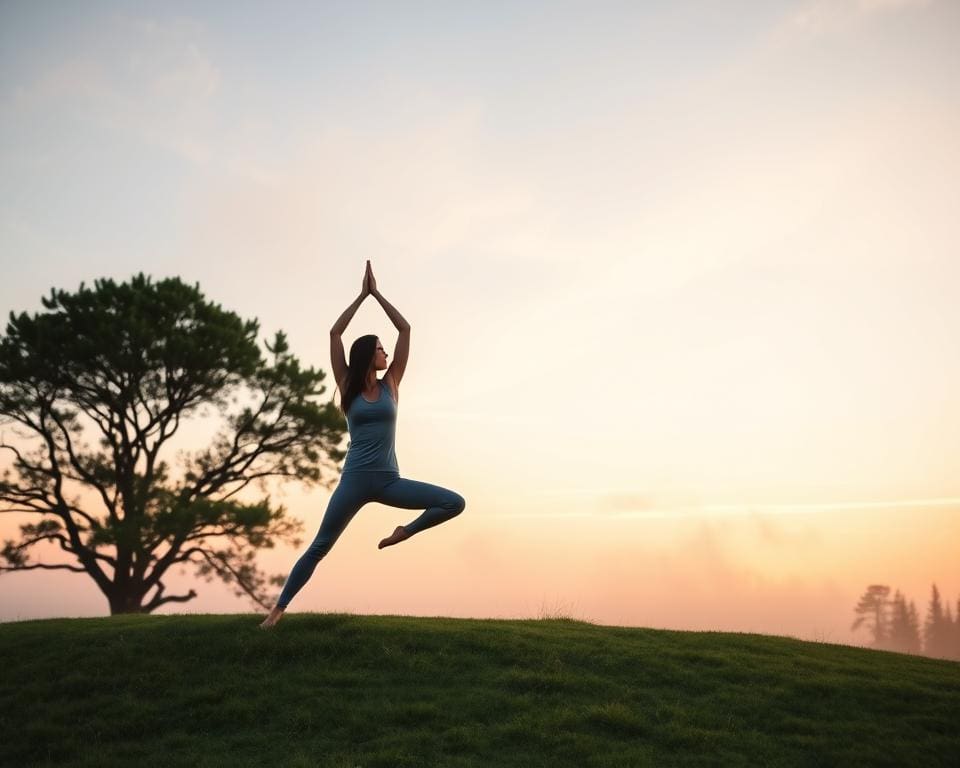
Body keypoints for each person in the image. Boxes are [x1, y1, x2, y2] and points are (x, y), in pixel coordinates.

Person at [259, 260, 466, 629]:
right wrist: (360, 297)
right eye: (381, 350)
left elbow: (405, 328)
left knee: (454, 502)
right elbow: (335, 335)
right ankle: (276, 612)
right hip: (353, 482)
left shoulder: (392, 385)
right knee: (320, 546)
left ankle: (405, 531)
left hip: (389, 480)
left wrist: (378, 294)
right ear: (370, 354)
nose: (387, 355)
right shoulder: (347, 384)